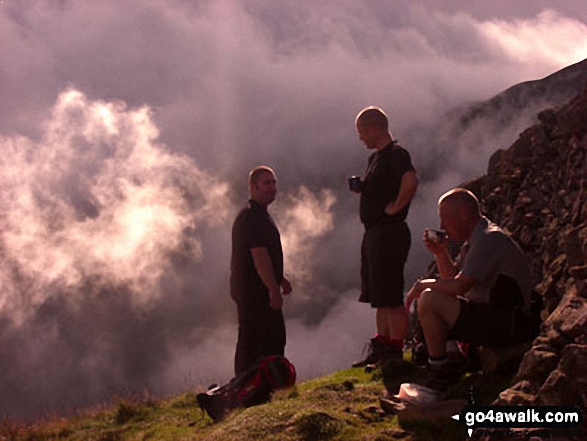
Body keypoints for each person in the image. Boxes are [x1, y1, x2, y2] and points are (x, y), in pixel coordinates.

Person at [406, 188, 531, 395]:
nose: (442, 226)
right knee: (435, 297)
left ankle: (441, 370)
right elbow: (453, 281)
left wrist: (423, 285)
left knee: (429, 299)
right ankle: (451, 360)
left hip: (505, 323)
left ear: (463, 213)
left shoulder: (488, 239)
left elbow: (458, 287)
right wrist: (440, 252)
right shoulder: (476, 240)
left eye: (445, 218)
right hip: (496, 318)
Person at [351, 106, 419, 368]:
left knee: (390, 294)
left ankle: (394, 350)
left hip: (389, 232)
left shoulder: (396, 154)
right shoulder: (376, 159)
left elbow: (410, 180)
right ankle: (382, 347)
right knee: (378, 294)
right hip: (375, 233)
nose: (360, 138)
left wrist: (395, 207)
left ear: (375, 128)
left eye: (361, 131)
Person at [230, 166, 292, 375]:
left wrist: (280, 278)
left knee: (266, 339)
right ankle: (250, 387)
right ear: (252, 186)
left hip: (256, 288)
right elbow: (259, 255)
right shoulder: (252, 217)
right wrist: (273, 289)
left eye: (274, 183)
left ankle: (259, 385)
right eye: (267, 183)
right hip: (255, 291)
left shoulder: (259, 215)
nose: (272, 188)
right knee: (259, 341)